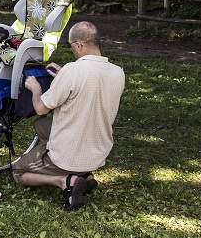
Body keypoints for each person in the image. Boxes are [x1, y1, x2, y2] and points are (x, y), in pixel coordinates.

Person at [12, 20, 124, 211]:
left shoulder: (73, 70)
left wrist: (36, 88)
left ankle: (65, 181)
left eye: (72, 46)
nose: (72, 50)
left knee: (17, 171)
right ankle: (86, 175)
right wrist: (63, 76)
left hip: (68, 156)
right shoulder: (118, 72)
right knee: (41, 126)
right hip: (97, 153)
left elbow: (40, 108)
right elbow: (90, 89)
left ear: (79, 45)